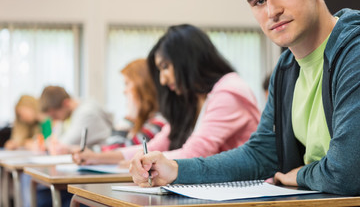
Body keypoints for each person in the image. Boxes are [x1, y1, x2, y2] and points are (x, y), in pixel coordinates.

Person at [129, 0, 360, 196]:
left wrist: (298, 175)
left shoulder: (354, 51)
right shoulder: (286, 68)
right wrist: (177, 170)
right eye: (258, 1)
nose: (272, 11)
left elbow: (347, 173)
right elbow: (260, 156)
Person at [73, 24, 260, 165]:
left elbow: (194, 153)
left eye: (165, 67)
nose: (162, 80)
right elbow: (155, 146)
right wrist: (98, 158)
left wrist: (136, 161)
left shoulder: (228, 92)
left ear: (186, 60)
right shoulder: (193, 99)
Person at [39, 86, 113, 154]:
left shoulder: (86, 113)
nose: (54, 120)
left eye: (54, 115)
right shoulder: (67, 115)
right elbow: (54, 141)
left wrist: (49, 144)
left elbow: (61, 146)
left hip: (103, 158)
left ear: (66, 103)